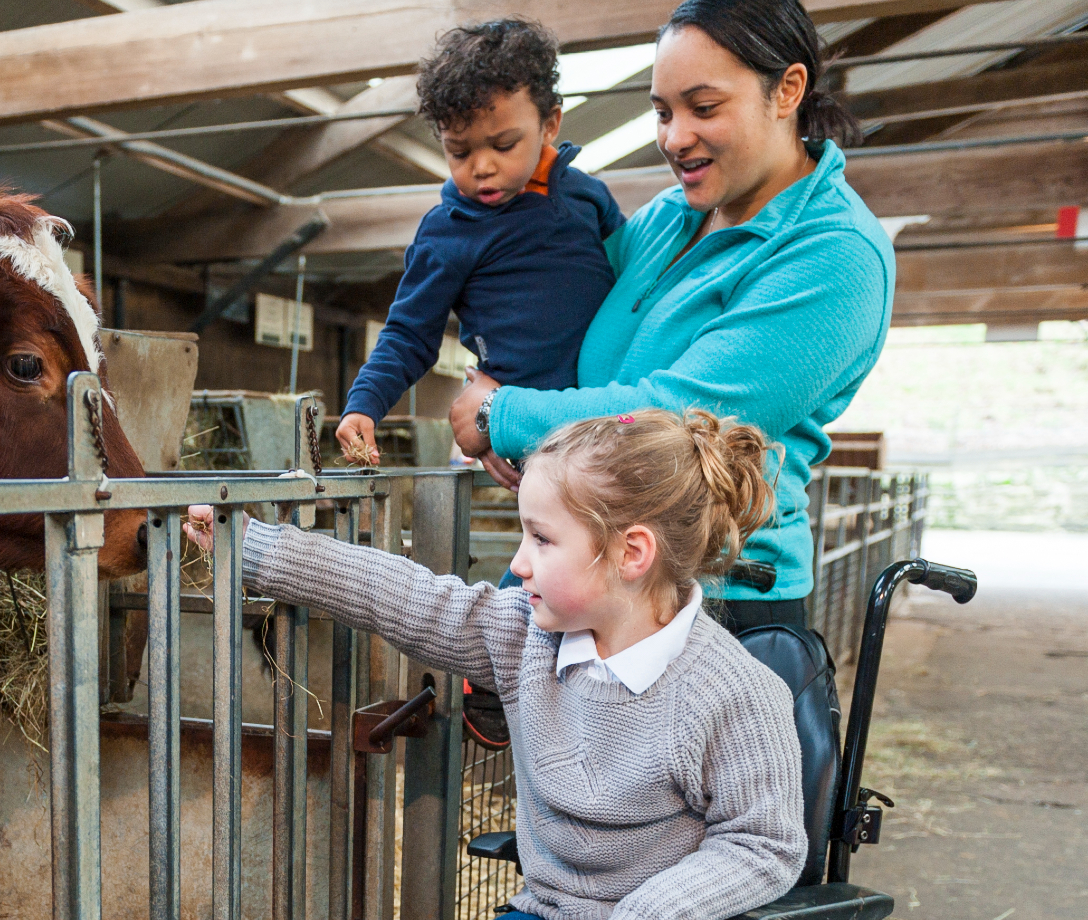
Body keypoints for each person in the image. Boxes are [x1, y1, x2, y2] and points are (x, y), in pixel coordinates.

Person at [188, 410, 805, 920]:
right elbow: (400, 595)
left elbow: (765, 844)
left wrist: (650, 913)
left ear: (631, 553)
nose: (519, 563)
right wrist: (252, 547)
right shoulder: (525, 638)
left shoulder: (735, 694)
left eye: (542, 539)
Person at [451, 0, 893, 634]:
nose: (674, 138)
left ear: (787, 90)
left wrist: (506, 414)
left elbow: (679, 420)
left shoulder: (834, 254)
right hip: (587, 570)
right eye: (662, 112)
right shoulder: (666, 217)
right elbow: (557, 309)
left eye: (704, 108)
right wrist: (498, 371)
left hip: (710, 599)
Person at [336, 18, 623, 465]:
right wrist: (365, 403)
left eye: (504, 145)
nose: (482, 167)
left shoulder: (587, 196)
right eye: (460, 151)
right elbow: (409, 333)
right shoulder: (447, 232)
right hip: (527, 429)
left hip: (610, 407)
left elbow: (633, 277)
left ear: (550, 124)